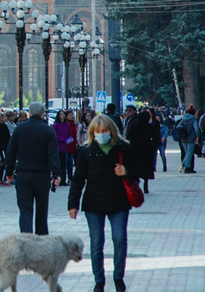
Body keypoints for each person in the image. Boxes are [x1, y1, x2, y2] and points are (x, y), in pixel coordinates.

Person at [68, 115, 132, 292]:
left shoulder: (123, 148)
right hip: (94, 203)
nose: (101, 134)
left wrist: (127, 171)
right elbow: (78, 180)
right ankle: (99, 279)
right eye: (98, 131)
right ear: (92, 132)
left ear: (111, 131)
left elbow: (139, 170)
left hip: (118, 202)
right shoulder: (86, 152)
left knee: (119, 239)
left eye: (104, 131)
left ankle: (118, 277)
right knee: (96, 242)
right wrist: (72, 204)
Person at [4, 102, 61, 236]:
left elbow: (11, 152)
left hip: (23, 174)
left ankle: (26, 239)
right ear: (43, 114)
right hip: (42, 175)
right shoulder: (48, 130)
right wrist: (56, 174)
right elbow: (53, 154)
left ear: (29, 113)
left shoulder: (19, 129)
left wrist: (9, 172)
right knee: (41, 210)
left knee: (25, 210)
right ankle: (41, 240)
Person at [124, 108, 158, 193]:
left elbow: (128, 136)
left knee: (136, 167)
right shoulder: (150, 127)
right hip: (147, 150)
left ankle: (136, 184)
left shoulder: (135, 126)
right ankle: (145, 185)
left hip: (135, 149)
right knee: (146, 168)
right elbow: (155, 138)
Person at [53, 111, 77, 186]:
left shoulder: (67, 124)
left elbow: (69, 134)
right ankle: (57, 179)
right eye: (61, 114)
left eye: (63, 114)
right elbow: (54, 135)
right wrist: (62, 139)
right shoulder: (56, 125)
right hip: (58, 146)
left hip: (65, 147)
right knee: (58, 164)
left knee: (64, 164)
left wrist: (68, 139)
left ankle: (63, 180)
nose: (62, 116)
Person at [176, 106, 199, 173]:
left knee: (186, 153)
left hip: (183, 138)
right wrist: (197, 136)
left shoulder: (183, 119)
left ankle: (185, 166)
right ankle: (185, 166)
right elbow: (196, 129)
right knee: (189, 153)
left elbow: (178, 126)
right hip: (191, 138)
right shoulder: (193, 120)